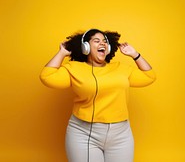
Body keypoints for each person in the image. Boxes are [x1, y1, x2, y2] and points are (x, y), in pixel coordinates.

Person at [40, 28, 156, 162]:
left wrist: (135, 54)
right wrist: (61, 53)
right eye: (96, 41)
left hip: (121, 133)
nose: (102, 44)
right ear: (86, 47)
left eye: (105, 41)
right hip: (84, 133)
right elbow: (46, 77)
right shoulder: (74, 68)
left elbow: (150, 76)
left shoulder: (121, 68)